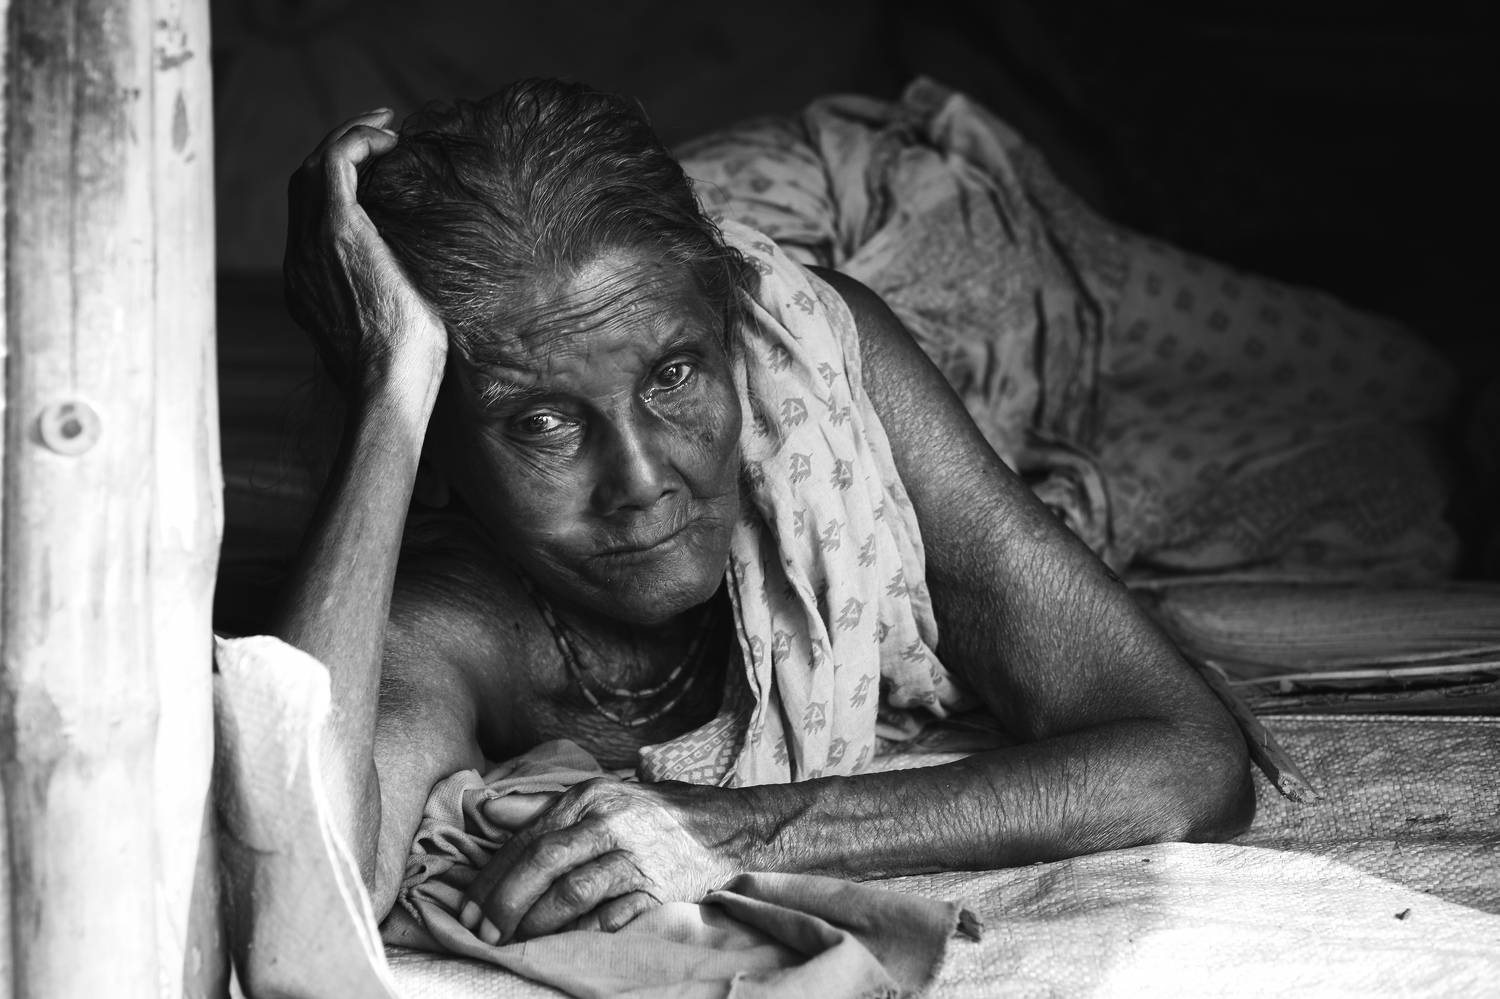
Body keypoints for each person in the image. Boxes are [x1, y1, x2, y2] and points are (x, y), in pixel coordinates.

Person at [274, 78, 1253, 948]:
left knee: (1282, 391)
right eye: (542, 423)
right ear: (434, 450)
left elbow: (1190, 760)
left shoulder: (825, 371)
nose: (640, 479)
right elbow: (303, 895)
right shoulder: (445, 617)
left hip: (944, 250)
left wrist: (746, 829)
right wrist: (391, 382)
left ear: (736, 339)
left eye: (675, 375)